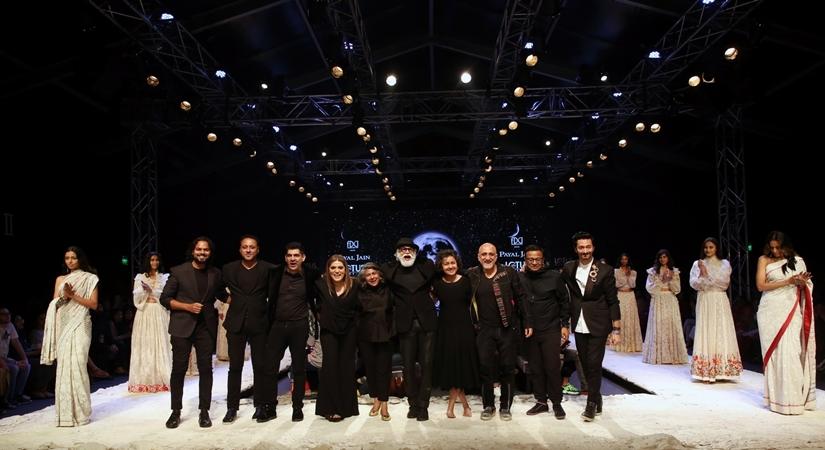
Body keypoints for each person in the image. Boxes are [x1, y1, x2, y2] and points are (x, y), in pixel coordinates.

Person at [160, 236, 228, 429]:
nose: (202, 253)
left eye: (206, 250)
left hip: (205, 326)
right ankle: (175, 411)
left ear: (210, 253)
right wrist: (186, 307)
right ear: (193, 251)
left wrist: (246, 298)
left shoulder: (215, 273)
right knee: (179, 369)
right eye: (199, 249)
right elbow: (165, 299)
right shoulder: (179, 271)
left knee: (206, 369)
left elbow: (222, 295)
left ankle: (204, 411)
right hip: (182, 325)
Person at [467, 242, 532, 421]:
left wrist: (527, 321)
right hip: (483, 330)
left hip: (507, 329)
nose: (487, 257)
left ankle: (505, 406)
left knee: (507, 369)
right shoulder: (472, 274)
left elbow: (521, 297)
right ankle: (488, 405)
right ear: (478, 256)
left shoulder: (508, 273)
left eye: (491, 254)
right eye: (484, 254)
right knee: (485, 369)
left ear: (496, 256)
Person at [560, 232, 620, 421]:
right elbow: (563, 294)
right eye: (581, 247)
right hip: (579, 323)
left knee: (594, 364)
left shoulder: (604, 270)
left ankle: (591, 403)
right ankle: (598, 397)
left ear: (593, 248)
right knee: (585, 364)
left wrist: (616, 329)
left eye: (588, 247)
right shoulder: (569, 268)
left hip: (599, 323)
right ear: (576, 249)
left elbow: (613, 301)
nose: (585, 251)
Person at [756, 231, 815, 415]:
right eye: (772, 247)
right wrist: (788, 281)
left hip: (790, 309)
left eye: (778, 247)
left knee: (791, 351)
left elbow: (807, 285)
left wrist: (801, 283)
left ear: (785, 246)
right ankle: (776, 400)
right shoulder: (763, 260)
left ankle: (793, 399)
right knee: (775, 355)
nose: (774, 251)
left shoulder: (798, 261)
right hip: (769, 311)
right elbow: (761, 286)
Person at [41, 246, 99, 426]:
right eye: (67, 258)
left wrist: (73, 295)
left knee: (78, 364)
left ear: (80, 259)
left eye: (74, 257)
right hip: (63, 324)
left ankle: (82, 412)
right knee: (65, 367)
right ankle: (65, 413)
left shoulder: (90, 278)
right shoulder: (60, 279)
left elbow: (94, 304)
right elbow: (54, 304)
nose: (70, 261)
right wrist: (64, 298)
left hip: (81, 322)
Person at [220, 235, 276, 424]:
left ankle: (260, 406)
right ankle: (232, 408)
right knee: (235, 367)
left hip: (260, 323)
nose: (248, 250)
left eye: (252, 247)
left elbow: (274, 293)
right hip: (236, 323)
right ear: (240, 249)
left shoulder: (269, 269)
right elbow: (218, 290)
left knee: (260, 367)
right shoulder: (229, 269)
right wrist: (231, 301)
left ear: (258, 249)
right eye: (245, 247)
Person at [381, 238, 437, 421]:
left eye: (410, 249)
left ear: (416, 252)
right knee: (408, 367)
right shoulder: (390, 270)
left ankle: (424, 406)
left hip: (426, 323)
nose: (407, 252)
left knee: (427, 366)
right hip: (405, 325)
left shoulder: (426, 266)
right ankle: (413, 404)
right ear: (397, 253)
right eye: (403, 249)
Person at [266, 242, 321, 422]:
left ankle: (297, 407)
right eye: (289, 255)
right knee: (270, 367)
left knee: (299, 368)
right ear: (285, 258)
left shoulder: (310, 274)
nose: (292, 259)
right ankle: (270, 406)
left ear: (303, 258)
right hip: (277, 326)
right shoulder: (275, 274)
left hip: (299, 326)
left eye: (296, 255)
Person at [519, 245, 569, 419]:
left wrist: (565, 325)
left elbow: (564, 302)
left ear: (543, 260)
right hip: (530, 331)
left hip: (551, 329)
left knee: (552, 368)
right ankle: (541, 402)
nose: (534, 262)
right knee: (535, 369)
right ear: (525, 260)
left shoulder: (554, 277)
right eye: (530, 259)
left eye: (537, 259)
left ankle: (556, 403)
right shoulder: (520, 278)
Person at [432, 250, 479, 419]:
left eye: (453, 263)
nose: (450, 266)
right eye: (446, 264)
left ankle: (451, 407)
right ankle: (465, 406)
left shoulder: (467, 282)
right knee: (453, 368)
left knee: (461, 368)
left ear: (457, 264)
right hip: (444, 330)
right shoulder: (437, 284)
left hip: (464, 328)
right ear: (441, 266)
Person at [689, 238, 742, 382]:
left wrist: (706, 275)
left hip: (719, 300)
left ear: (716, 248)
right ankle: (706, 370)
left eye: (711, 247)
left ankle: (723, 370)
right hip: (705, 299)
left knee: (721, 330)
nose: (708, 250)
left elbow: (723, 283)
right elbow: (693, 283)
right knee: (707, 330)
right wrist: (702, 275)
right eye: (706, 247)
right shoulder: (698, 263)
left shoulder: (724, 263)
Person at [314, 255, 360, 422]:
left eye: (340, 267)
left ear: (345, 269)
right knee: (330, 368)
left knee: (347, 368)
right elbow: (315, 307)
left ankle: (347, 408)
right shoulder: (320, 285)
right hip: (329, 332)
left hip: (349, 332)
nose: (337, 271)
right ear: (328, 269)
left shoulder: (355, 285)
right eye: (333, 267)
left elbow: (360, 307)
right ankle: (330, 408)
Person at [128, 252, 172, 393]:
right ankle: (144, 379)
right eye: (152, 260)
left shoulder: (163, 278)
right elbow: (136, 297)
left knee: (159, 343)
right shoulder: (140, 277)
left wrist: (152, 290)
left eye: (157, 260)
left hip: (158, 312)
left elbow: (165, 295)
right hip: (145, 312)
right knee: (145, 343)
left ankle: (161, 379)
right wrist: (145, 291)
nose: (155, 262)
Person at [356, 262, 394, 421]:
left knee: (384, 370)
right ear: (364, 278)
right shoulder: (359, 292)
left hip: (386, 335)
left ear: (379, 274)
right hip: (366, 336)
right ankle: (376, 399)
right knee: (371, 370)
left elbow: (393, 312)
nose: (372, 277)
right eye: (368, 275)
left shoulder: (388, 290)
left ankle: (384, 403)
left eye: (374, 273)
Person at [643, 249, 688, 365]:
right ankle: (658, 355)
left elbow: (677, 289)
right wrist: (661, 281)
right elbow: (649, 287)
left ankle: (673, 355)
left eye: (665, 257)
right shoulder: (653, 271)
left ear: (668, 258)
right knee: (658, 325)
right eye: (661, 257)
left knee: (671, 325)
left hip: (670, 299)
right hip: (658, 299)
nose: (663, 259)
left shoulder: (674, 271)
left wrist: (670, 280)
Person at [612, 253, 643, 352]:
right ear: (620, 260)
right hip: (620, 295)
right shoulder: (616, 271)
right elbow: (616, 284)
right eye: (622, 259)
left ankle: (631, 344)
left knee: (631, 317)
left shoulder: (633, 272)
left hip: (630, 295)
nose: (624, 261)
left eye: (626, 259)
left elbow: (633, 285)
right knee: (622, 317)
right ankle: (620, 343)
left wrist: (629, 276)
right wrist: (625, 276)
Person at [0, 307, 31, 408]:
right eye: (4, 314)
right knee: (14, 368)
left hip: (4, 357)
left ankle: (17, 395)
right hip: (1, 359)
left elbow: (16, 343)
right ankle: (7, 399)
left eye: (8, 313)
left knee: (27, 366)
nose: (7, 316)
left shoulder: (10, 326)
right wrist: (16, 363)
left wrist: (24, 358)